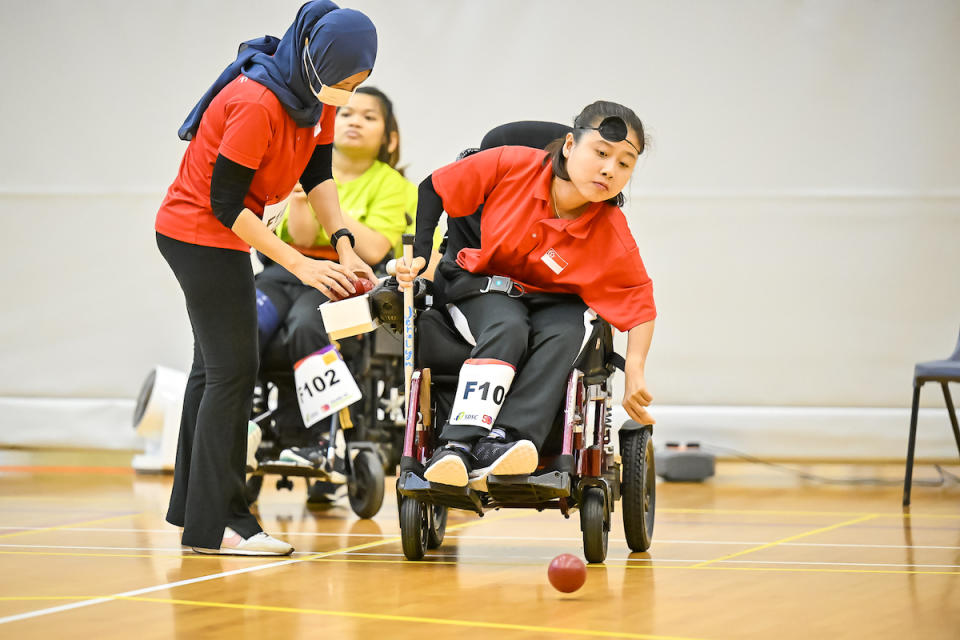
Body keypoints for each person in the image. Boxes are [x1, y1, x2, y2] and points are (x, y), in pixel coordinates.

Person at [154, 0, 377, 555]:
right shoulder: (257, 102)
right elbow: (226, 202)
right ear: (315, 57)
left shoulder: (314, 94)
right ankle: (224, 521)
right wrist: (300, 265)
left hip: (228, 234)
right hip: (199, 235)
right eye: (344, 80)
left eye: (360, 82)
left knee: (213, 371)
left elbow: (317, 171)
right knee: (234, 371)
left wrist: (344, 245)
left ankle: (192, 511)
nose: (347, 94)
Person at [397, 101, 657, 489]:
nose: (609, 170)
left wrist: (635, 371)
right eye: (601, 153)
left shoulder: (610, 228)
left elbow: (639, 302)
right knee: (508, 324)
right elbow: (434, 187)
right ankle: (456, 445)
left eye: (625, 164)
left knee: (569, 331)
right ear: (570, 145)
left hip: (553, 300)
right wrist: (420, 254)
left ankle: (505, 440)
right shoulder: (511, 163)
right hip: (481, 282)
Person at [254, 86, 414, 469]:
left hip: (343, 277)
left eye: (368, 116)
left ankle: (315, 439)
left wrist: (327, 206)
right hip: (289, 268)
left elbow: (374, 249)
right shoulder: (303, 167)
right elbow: (303, 239)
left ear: (389, 137)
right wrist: (299, 198)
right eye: (346, 114)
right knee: (244, 322)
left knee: (309, 326)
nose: (355, 121)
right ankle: (239, 427)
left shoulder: (394, 186)